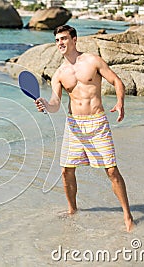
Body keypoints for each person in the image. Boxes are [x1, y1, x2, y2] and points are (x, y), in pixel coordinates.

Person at [35, 25, 134, 232]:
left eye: (63, 38)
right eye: (57, 40)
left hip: (97, 123)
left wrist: (120, 102)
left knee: (112, 171)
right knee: (65, 171)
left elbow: (116, 80)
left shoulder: (92, 61)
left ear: (74, 39)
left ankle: (127, 215)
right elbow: (55, 103)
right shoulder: (59, 74)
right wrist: (46, 104)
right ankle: (72, 210)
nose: (60, 43)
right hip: (74, 126)